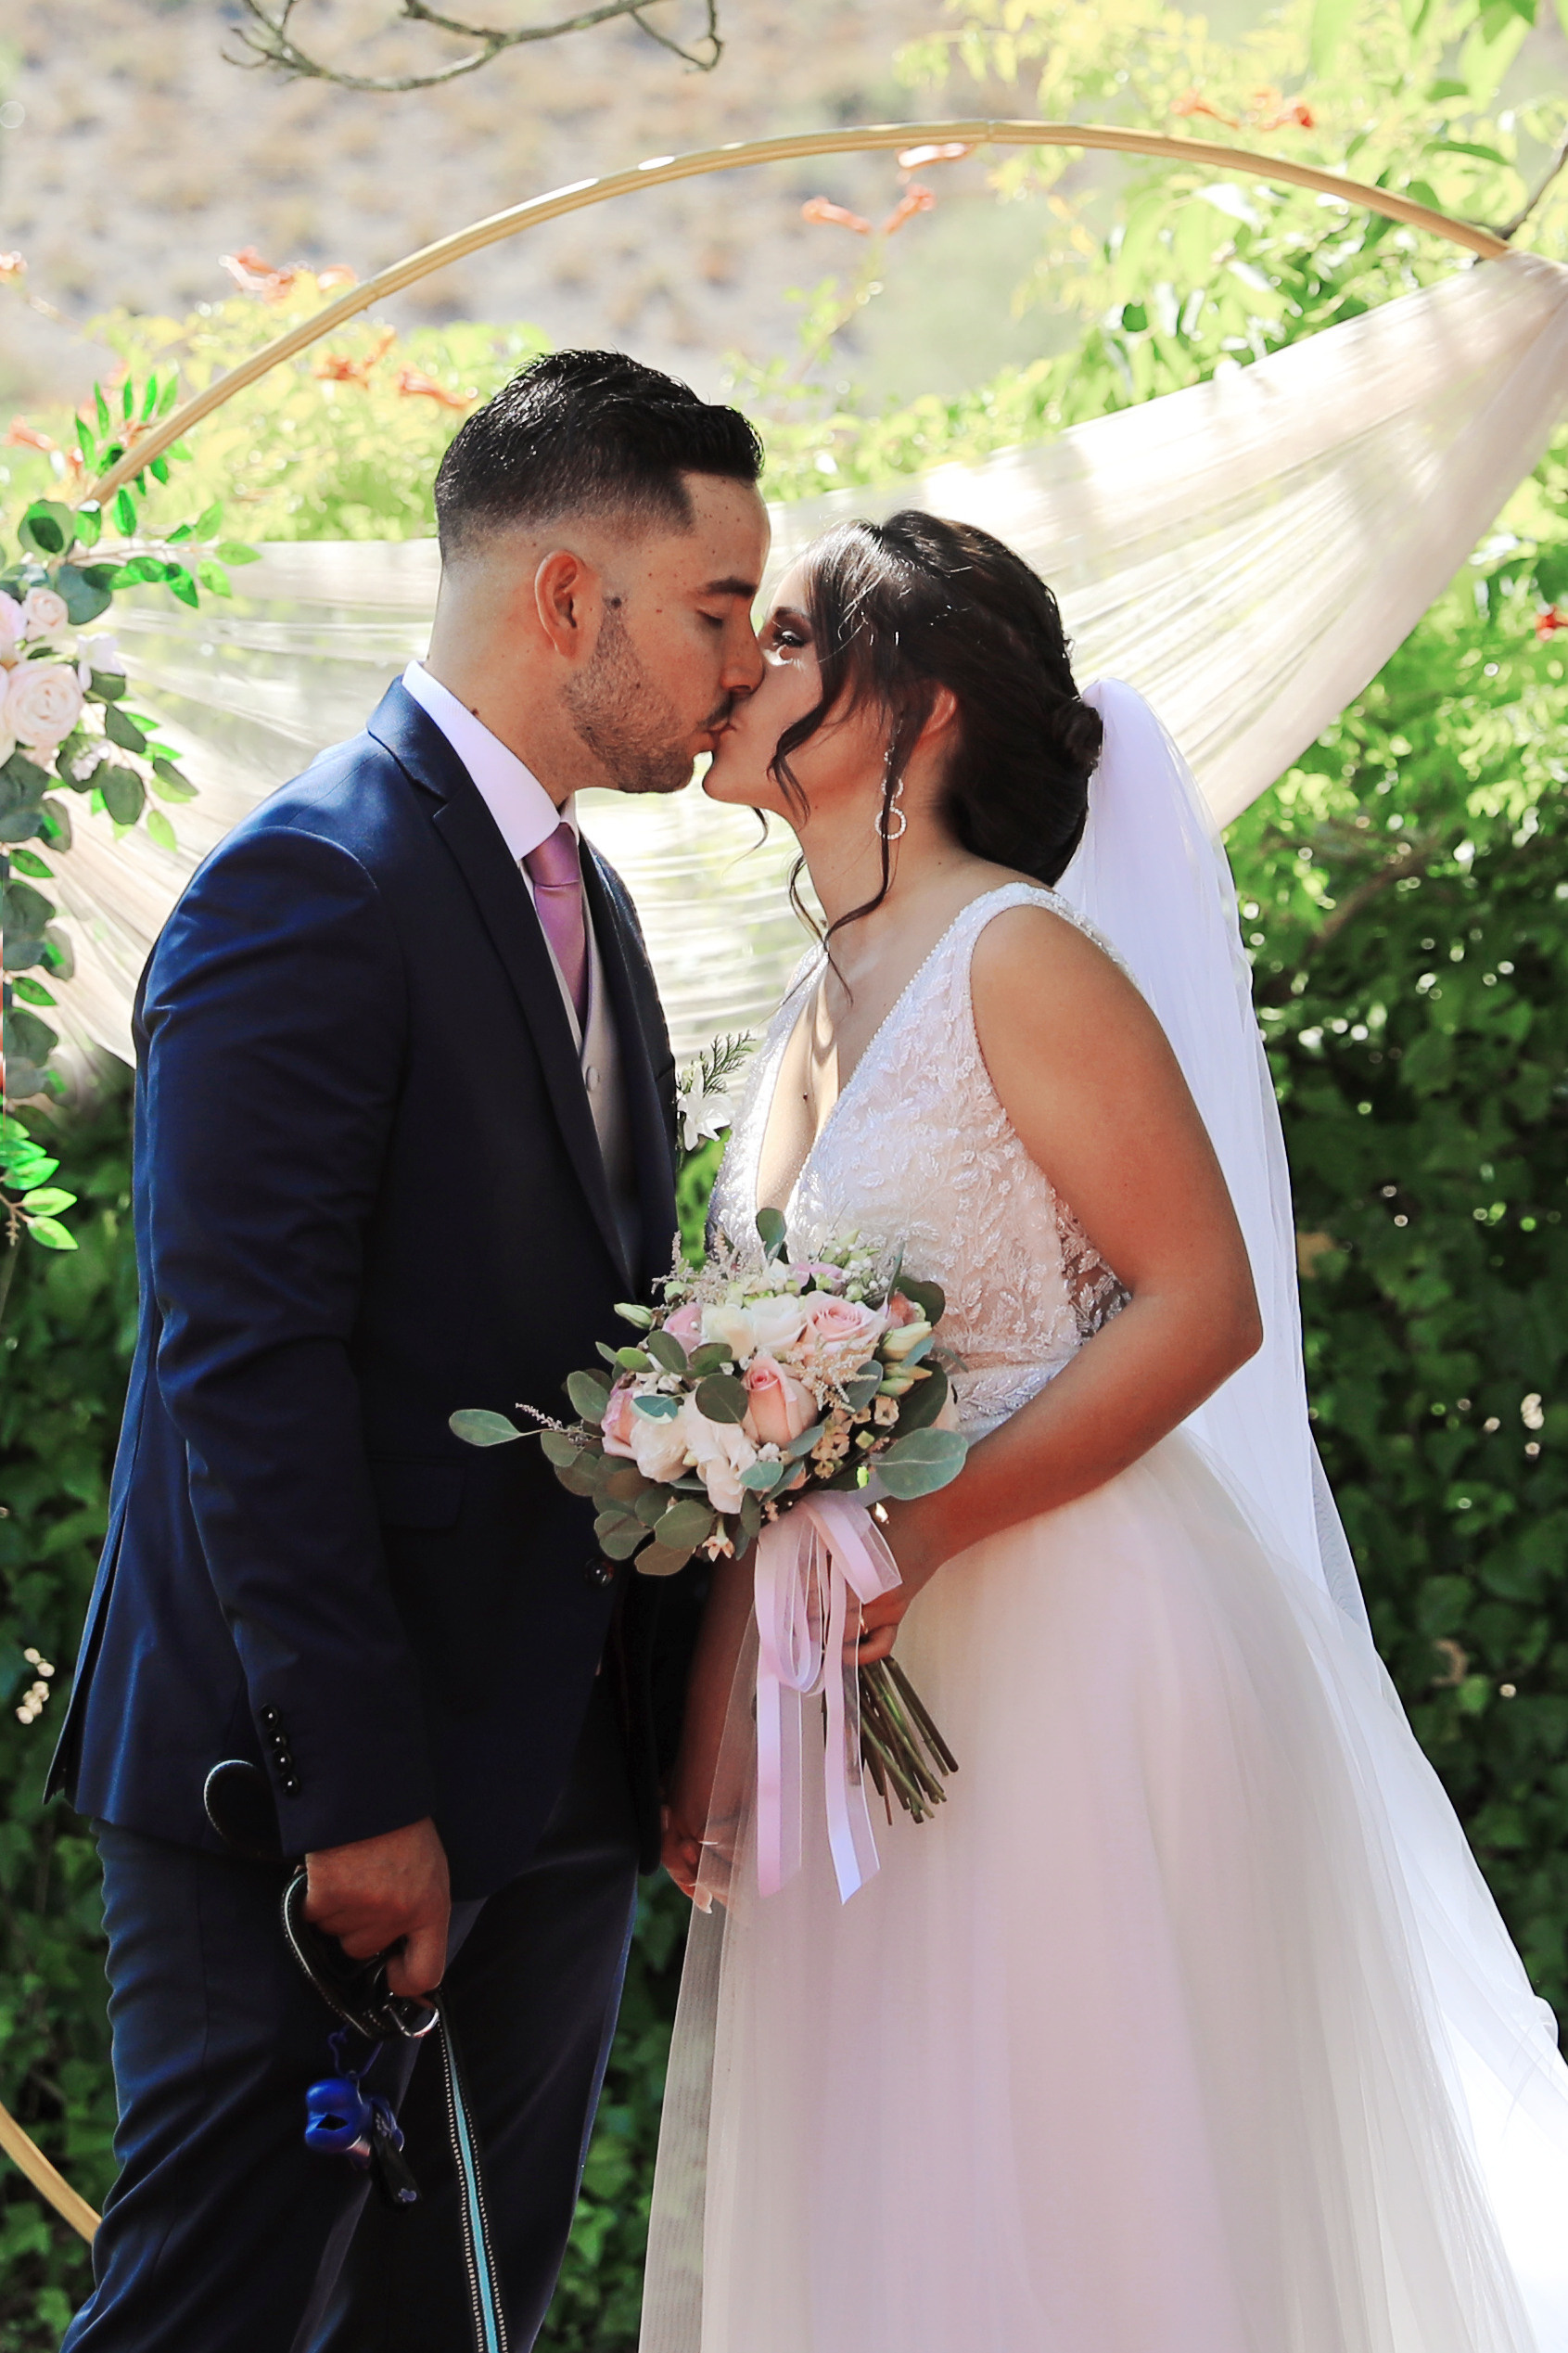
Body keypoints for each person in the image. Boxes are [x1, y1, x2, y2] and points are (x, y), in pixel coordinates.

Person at [643, 511, 1568, 2353]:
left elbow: (1202, 1301)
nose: (742, 664)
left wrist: (929, 1530)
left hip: (1072, 1658)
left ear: (917, 710)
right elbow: (773, 1430)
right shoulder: (811, 1009)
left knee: (1085, 2213)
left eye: (795, 634)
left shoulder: (1018, 957)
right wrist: (716, 1728)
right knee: (904, 2232)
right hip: (861, 1709)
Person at [47, 350, 770, 2353]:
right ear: (568, 597)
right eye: (717, 609)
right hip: (310, 1812)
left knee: (461, 2326)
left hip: (555, 1797)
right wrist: (355, 1799)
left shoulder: (594, 903)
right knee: (212, 2319)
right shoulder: (307, 884)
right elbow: (241, 1369)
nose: (744, 664)